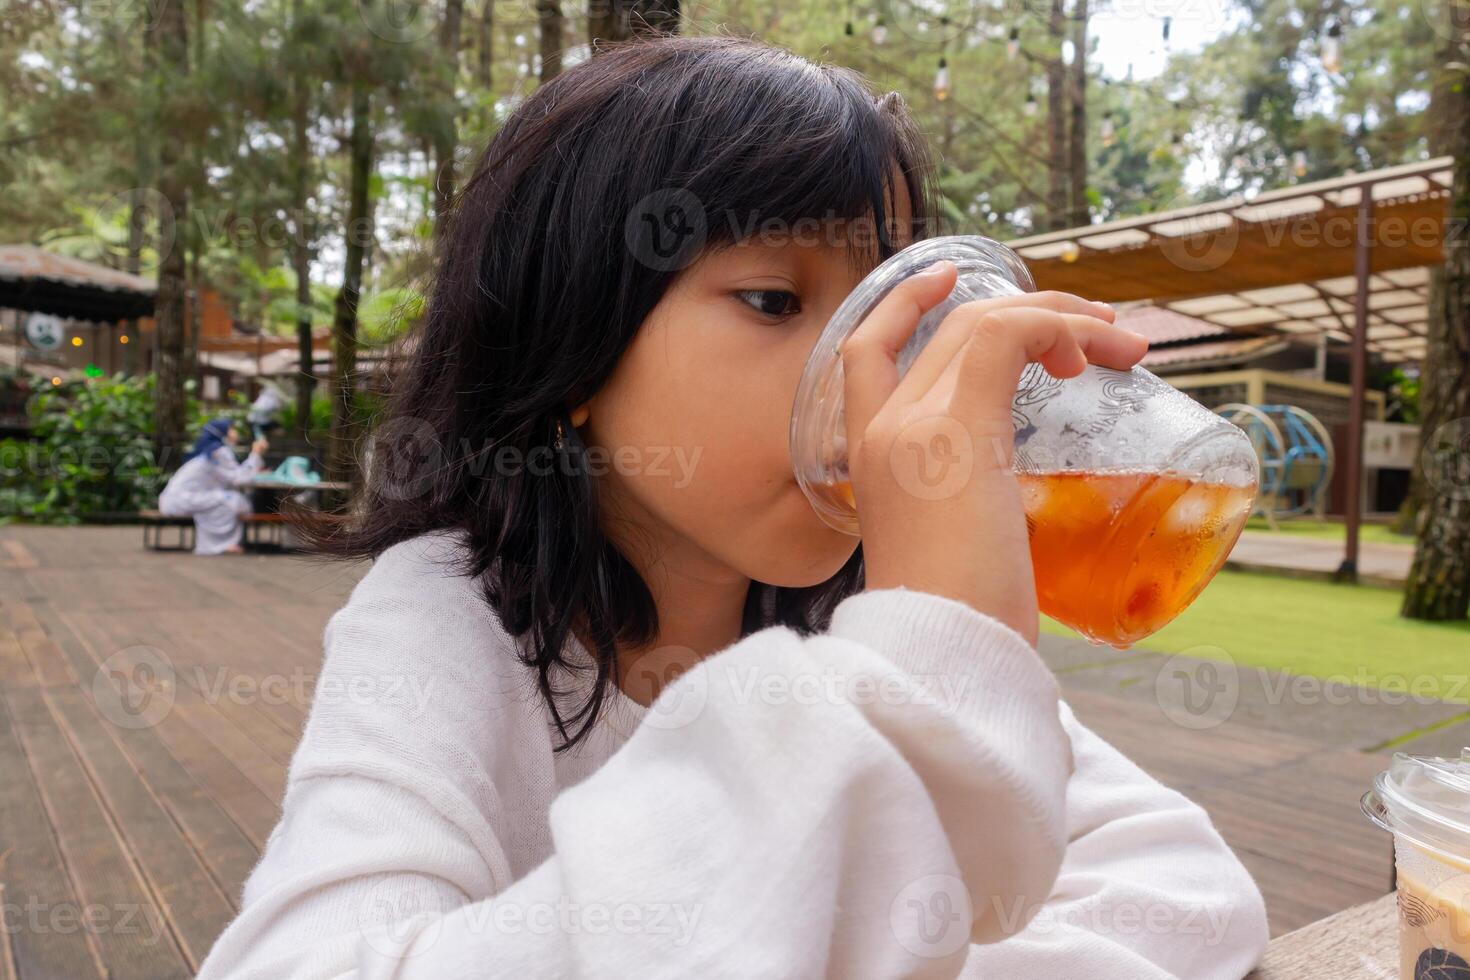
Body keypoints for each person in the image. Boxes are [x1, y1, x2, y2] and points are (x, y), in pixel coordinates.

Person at [196, 37, 1269, 979]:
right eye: (776, 299)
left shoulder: (856, 616)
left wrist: (933, 646)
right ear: (575, 346)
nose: (871, 370)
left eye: (896, 310)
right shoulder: (453, 614)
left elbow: (1182, 890)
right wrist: (927, 675)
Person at [157, 417, 268, 556]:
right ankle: (220, 545)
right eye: (231, 429)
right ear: (223, 432)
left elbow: (235, 475)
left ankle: (221, 544)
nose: (235, 433)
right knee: (234, 501)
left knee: (229, 500)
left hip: (177, 499)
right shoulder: (218, 452)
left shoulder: (213, 451)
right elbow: (239, 479)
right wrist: (256, 454)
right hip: (181, 501)